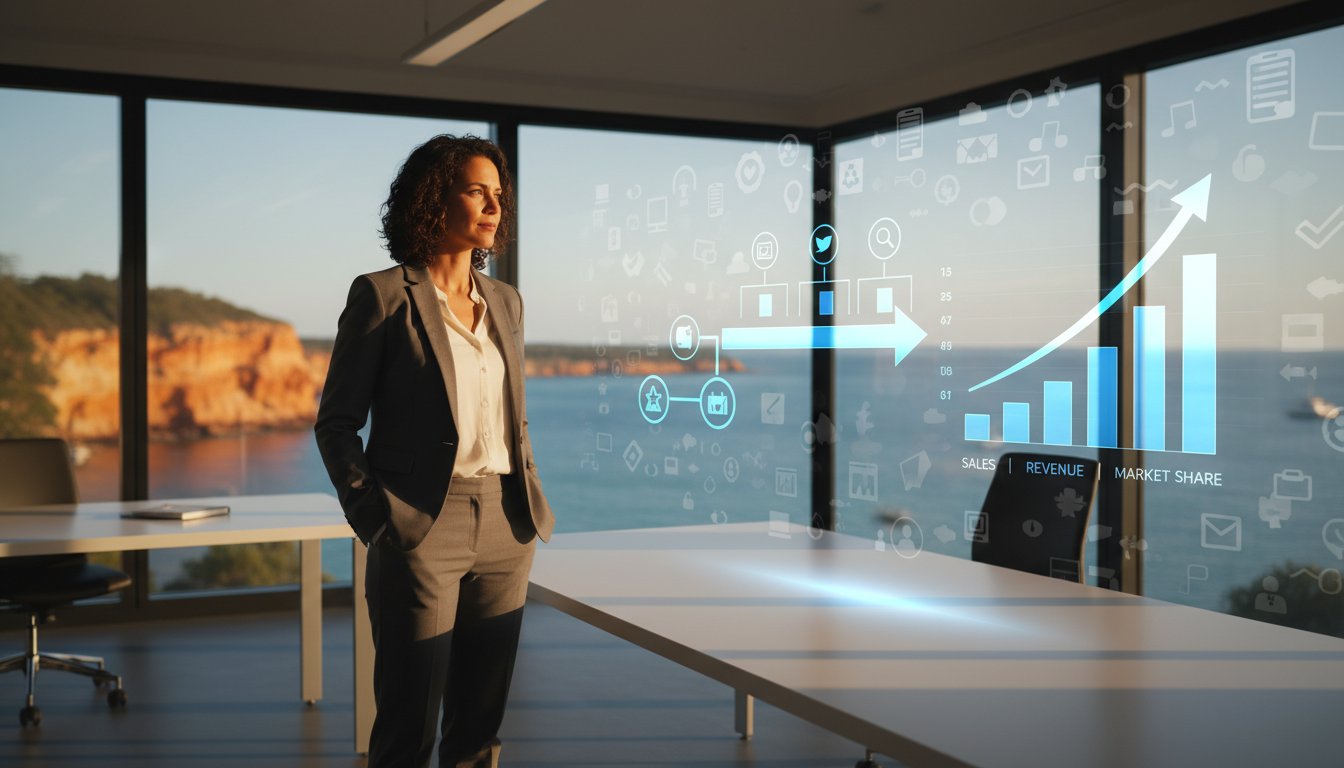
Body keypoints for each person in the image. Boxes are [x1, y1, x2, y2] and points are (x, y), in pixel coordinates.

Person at [315, 134, 553, 768]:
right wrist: (376, 519)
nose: (492, 206)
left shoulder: (507, 302)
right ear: (432, 197)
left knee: (479, 729)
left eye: (498, 195)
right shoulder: (382, 295)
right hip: (421, 524)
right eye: (476, 191)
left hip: (508, 523)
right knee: (407, 725)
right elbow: (336, 424)